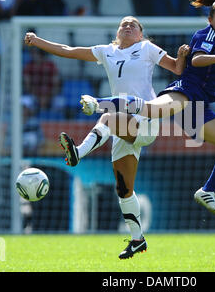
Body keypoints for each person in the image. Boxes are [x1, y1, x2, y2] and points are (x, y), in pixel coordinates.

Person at [79, 0, 215, 216]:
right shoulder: (205, 34)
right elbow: (198, 59)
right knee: (150, 109)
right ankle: (97, 103)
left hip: (198, 107)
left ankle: (207, 191)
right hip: (184, 92)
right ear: (210, 20)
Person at [23, 16, 189, 259]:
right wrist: (38, 42)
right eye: (124, 23)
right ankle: (137, 239)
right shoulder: (106, 52)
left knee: (108, 116)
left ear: (141, 34)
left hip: (147, 118)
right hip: (124, 123)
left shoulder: (147, 48)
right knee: (124, 189)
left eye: (134, 24)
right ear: (117, 32)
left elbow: (176, 68)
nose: (129, 25)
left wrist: (182, 56)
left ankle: (78, 151)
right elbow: (68, 50)